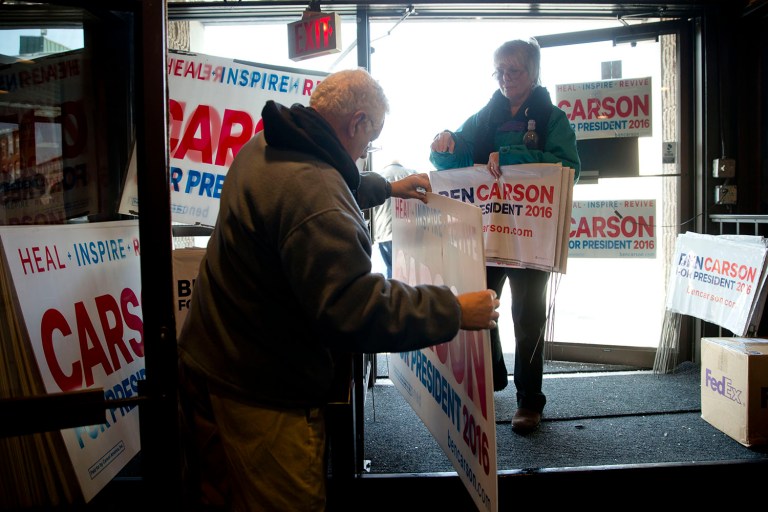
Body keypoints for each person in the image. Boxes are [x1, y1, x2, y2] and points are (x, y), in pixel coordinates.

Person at [177, 68, 501, 511]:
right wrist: (454, 310)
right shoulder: (315, 192)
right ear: (357, 122)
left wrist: (386, 187)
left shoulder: (269, 143)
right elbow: (353, 308)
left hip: (213, 357)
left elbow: (328, 179)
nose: (367, 150)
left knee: (220, 495)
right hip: (263, 391)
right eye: (370, 140)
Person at [429, 38, 580, 435]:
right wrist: (444, 143)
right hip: (491, 232)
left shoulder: (552, 119)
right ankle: (494, 375)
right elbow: (453, 156)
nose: (505, 78)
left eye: (514, 70)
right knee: (480, 306)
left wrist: (510, 157)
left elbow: (567, 168)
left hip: (532, 237)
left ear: (533, 72)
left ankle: (530, 402)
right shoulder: (485, 117)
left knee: (528, 318)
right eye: (499, 70)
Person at [371, 160, 418, 278]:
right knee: (412, 275)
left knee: (390, 274)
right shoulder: (412, 174)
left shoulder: (377, 177)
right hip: (409, 233)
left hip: (384, 233)